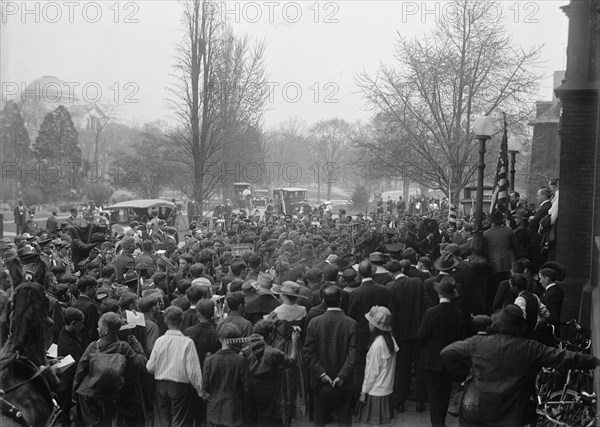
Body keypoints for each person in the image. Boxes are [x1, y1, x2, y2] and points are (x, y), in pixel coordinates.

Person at [441, 304, 600, 427]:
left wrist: (468, 370)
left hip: (473, 409)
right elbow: (562, 357)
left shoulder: (478, 343)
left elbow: (447, 353)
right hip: (509, 415)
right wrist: (592, 361)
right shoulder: (529, 348)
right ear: (520, 328)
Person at [72, 312, 147, 427]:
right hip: (113, 394)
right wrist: (138, 347)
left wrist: (74, 393)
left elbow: (80, 370)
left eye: (99, 326)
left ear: (106, 329)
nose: (97, 329)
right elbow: (140, 363)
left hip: (90, 392)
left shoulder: (93, 346)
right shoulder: (124, 347)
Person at [304, 285, 359, 427]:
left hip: (320, 380)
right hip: (344, 381)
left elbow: (308, 352)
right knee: (345, 417)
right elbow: (353, 353)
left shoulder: (314, 322)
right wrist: (342, 375)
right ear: (340, 300)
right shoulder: (351, 324)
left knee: (320, 418)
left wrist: (321, 374)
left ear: (323, 300)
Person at [418, 276, 467, 427]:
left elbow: (422, 337)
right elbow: (461, 339)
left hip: (431, 361)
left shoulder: (430, 313)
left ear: (439, 293)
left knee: (434, 395)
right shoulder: (459, 314)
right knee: (445, 393)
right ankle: (441, 421)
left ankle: (437, 423)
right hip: (449, 362)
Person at [146, 306, 206, 427]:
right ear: (181, 320)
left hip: (161, 385)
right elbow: (193, 371)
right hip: (181, 387)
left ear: (165, 320)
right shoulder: (187, 342)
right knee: (180, 422)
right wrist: (201, 390)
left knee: (162, 421)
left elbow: (150, 367)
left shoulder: (159, 341)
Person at [242, 320, 300, 427]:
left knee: (251, 417)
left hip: (249, 387)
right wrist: (294, 343)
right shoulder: (274, 352)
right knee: (267, 417)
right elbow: (290, 362)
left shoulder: (245, 350)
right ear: (270, 335)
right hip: (267, 389)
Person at [203, 323, 253, 427]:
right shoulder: (241, 360)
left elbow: (205, 387)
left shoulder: (209, 360)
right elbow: (248, 387)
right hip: (235, 410)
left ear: (220, 339)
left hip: (214, 410)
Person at [358, 306, 398, 427]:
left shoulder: (376, 345)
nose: (369, 324)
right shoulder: (390, 340)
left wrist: (363, 392)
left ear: (375, 325)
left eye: (370, 322)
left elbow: (371, 372)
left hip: (375, 392)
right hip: (387, 390)